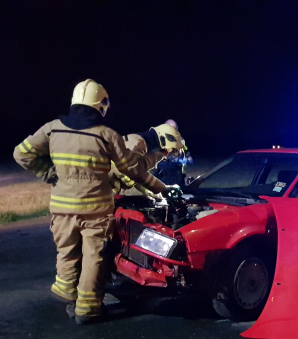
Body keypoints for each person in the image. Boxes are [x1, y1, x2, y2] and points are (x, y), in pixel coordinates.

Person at [13, 79, 180, 325]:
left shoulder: (52, 129)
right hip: (95, 211)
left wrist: (46, 172)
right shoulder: (107, 135)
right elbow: (133, 170)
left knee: (67, 251)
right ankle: (88, 309)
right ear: (101, 105)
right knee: (93, 258)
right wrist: (162, 188)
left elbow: (21, 153)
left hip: (62, 209)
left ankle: (68, 294)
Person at [109, 123, 183, 194]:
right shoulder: (137, 143)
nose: (167, 155)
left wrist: (159, 192)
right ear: (163, 140)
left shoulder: (138, 142)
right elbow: (137, 171)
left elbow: (136, 180)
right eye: (169, 151)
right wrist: (163, 189)